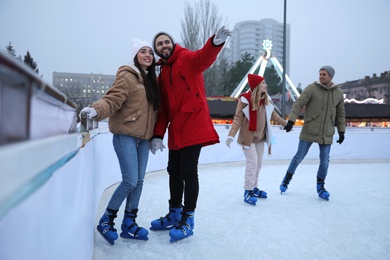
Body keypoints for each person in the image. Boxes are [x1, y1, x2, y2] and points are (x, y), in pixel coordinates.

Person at [148, 26, 232, 242]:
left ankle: (188, 219)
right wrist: (158, 135)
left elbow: (203, 58)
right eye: (160, 44)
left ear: (172, 43)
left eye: (166, 42)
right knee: (173, 170)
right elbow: (164, 109)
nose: (164, 45)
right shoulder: (162, 73)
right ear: (157, 50)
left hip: (193, 124)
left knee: (188, 172)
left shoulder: (186, 58)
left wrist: (215, 43)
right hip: (176, 129)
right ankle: (175, 212)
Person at [79, 39, 160, 244]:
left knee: (139, 182)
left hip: (143, 139)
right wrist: (96, 110)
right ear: (135, 55)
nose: (148, 55)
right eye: (143, 52)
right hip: (125, 134)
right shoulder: (127, 76)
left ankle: (129, 224)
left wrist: (155, 136)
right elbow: (112, 99)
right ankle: (107, 220)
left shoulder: (151, 80)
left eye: (150, 52)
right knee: (130, 180)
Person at [280, 65, 345, 201]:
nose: (321, 76)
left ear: (331, 77)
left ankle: (320, 187)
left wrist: (341, 130)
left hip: (327, 131)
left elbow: (340, 113)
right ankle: (286, 179)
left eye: (324, 74)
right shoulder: (311, 88)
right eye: (320, 74)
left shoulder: (338, 93)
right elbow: (298, 104)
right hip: (310, 129)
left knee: (325, 161)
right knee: (298, 157)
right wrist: (291, 120)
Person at [225, 74, 287, 206]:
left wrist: (285, 124)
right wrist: (231, 135)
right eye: (263, 83)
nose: (266, 85)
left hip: (260, 138)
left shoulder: (265, 100)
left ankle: (254, 187)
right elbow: (238, 119)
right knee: (252, 163)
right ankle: (247, 191)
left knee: (258, 164)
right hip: (248, 138)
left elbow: (274, 115)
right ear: (257, 86)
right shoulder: (245, 100)